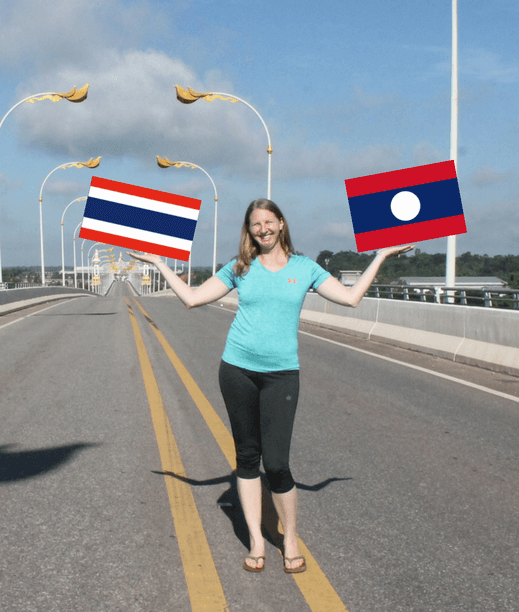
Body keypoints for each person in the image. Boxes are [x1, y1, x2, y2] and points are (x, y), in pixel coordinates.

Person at [130, 198, 412, 575]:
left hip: (282, 374)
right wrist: (160, 263)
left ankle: (289, 538)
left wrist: (380, 255)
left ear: (281, 224)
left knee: (277, 464)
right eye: (254, 224)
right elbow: (193, 298)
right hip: (237, 371)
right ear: (250, 231)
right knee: (247, 459)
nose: (261, 228)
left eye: (267, 221)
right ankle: (257, 541)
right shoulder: (240, 267)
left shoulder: (305, 268)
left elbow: (351, 298)